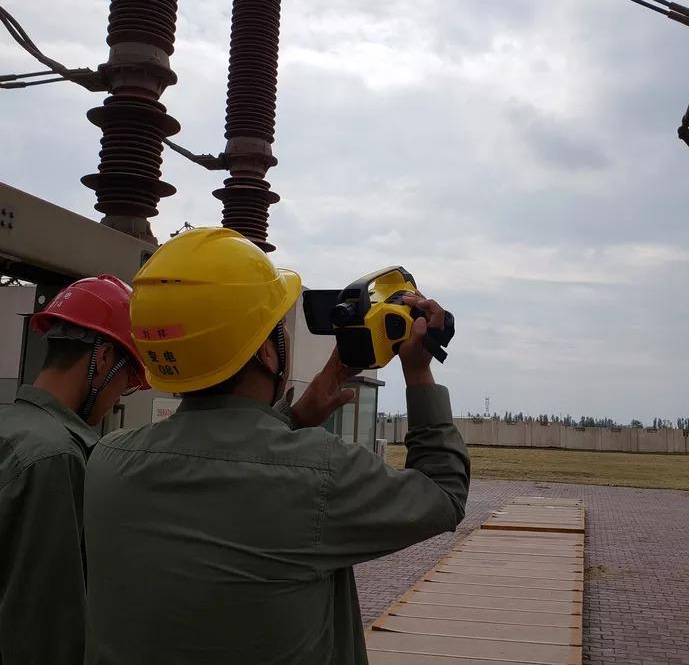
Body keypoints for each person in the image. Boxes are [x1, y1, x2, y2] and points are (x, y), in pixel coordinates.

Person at [84, 227, 470, 664]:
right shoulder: (320, 475)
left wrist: (295, 418)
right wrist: (417, 369)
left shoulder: (107, 462)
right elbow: (443, 495)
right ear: (269, 354)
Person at [0, 275, 147, 665]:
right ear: (102, 359)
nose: (119, 398)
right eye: (127, 380)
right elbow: (45, 636)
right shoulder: (54, 457)